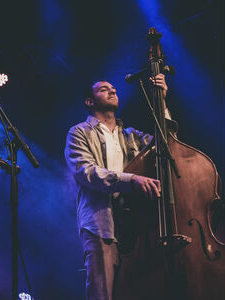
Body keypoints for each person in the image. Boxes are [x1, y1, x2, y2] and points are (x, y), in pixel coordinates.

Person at [64, 74, 170, 300]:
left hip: (137, 224)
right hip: (101, 225)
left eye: (113, 88)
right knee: (103, 294)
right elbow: (87, 172)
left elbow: (167, 145)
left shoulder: (131, 136)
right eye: (104, 89)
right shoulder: (79, 132)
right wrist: (131, 179)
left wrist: (161, 101)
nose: (112, 91)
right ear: (89, 101)